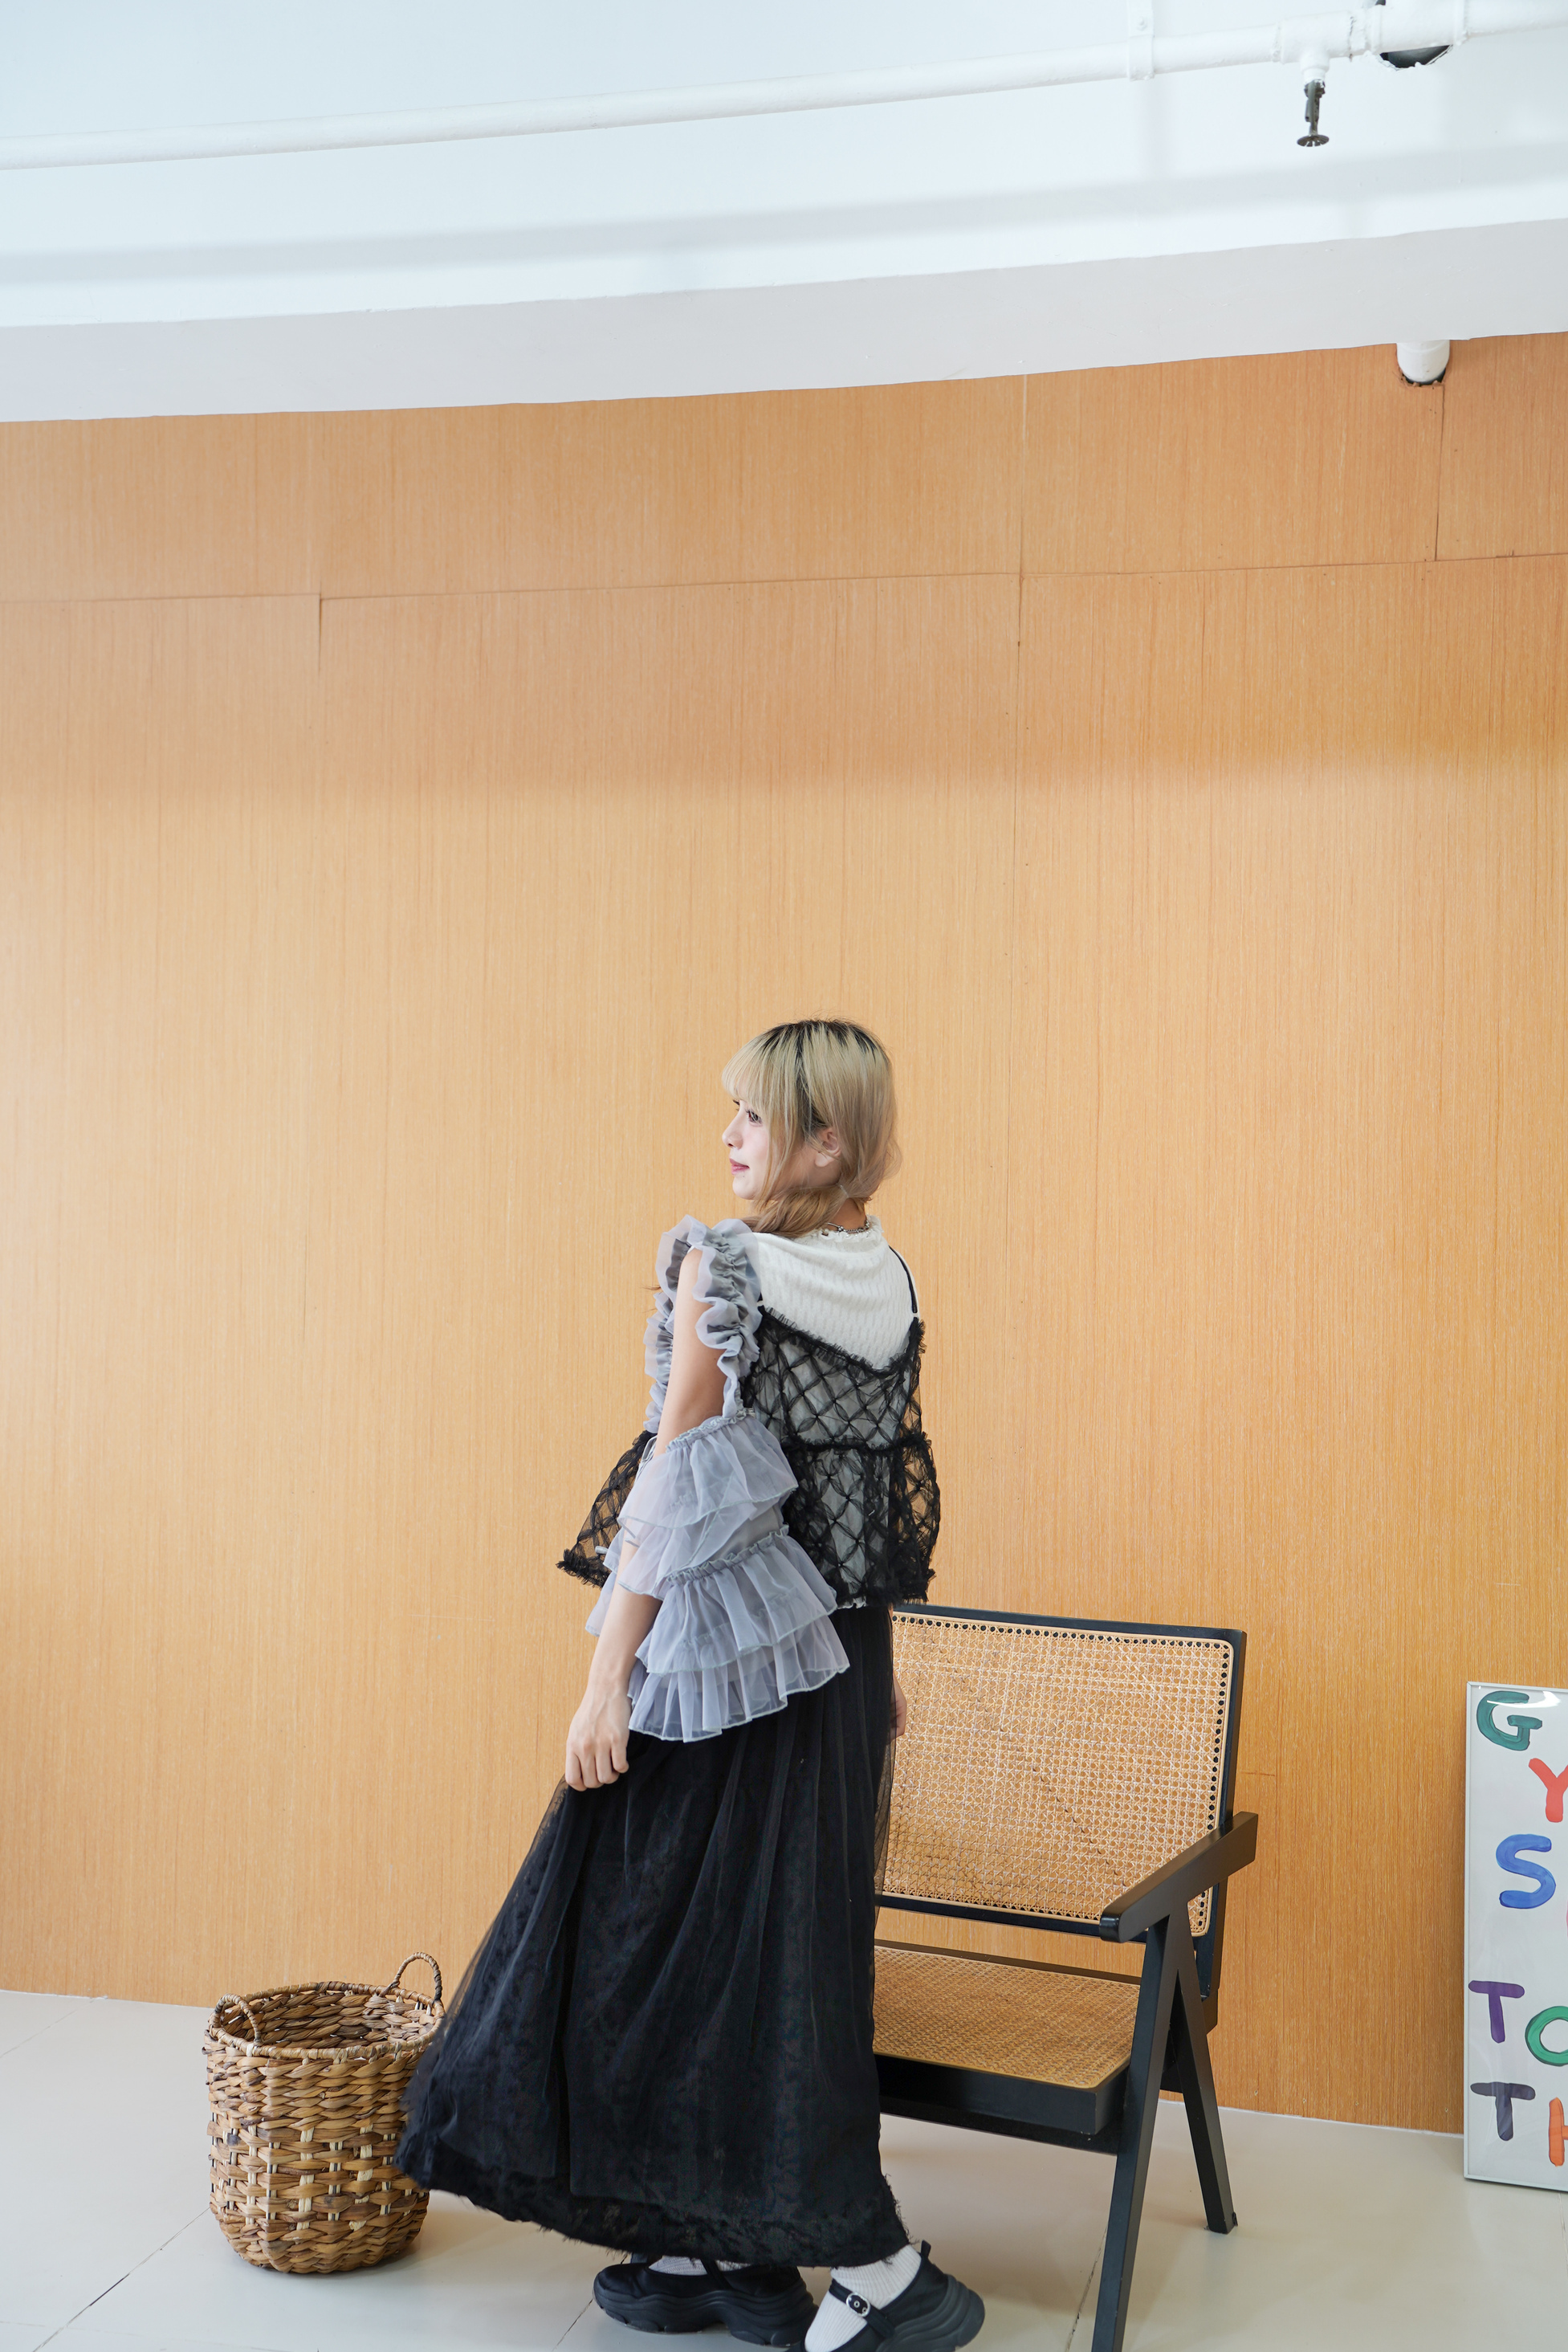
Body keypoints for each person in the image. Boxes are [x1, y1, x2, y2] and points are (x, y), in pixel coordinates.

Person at [397, 1018, 984, 2352]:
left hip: (726, 1663)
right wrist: (880, 1667)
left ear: (824, 1141)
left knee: (640, 1927)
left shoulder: (727, 1267)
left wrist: (603, 1682)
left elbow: (675, 1486)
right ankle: (720, 2238)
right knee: (782, 1950)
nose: (728, 1134)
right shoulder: (883, 1270)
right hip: (835, 1668)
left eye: (754, 1115)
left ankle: (877, 2268)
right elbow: (864, 1497)